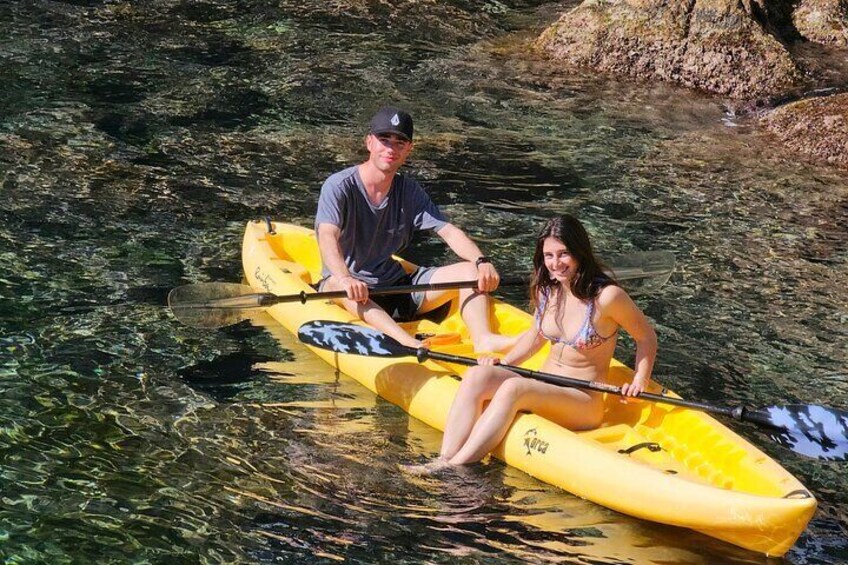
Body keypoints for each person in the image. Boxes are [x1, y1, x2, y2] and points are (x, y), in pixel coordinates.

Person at [437, 214, 658, 466]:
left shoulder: (607, 297)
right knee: (478, 375)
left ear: (579, 252)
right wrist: (505, 363)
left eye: (563, 254)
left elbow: (646, 337)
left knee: (513, 388)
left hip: (582, 401)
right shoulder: (548, 289)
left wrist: (640, 381)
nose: (556, 264)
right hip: (543, 384)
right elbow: (535, 336)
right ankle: (444, 457)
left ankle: (454, 467)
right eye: (548, 256)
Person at [315, 106, 516, 352]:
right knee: (338, 286)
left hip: (396, 285)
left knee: (469, 271)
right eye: (384, 139)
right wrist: (345, 278)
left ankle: (483, 337)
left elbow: (449, 231)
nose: (391, 148)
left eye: (400, 142)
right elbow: (327, 235)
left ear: (409, 149)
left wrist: (481, 261)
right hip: (350, 288)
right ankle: (406, 341)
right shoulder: (338, 186)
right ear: (369, 142)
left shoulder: (408, 190)